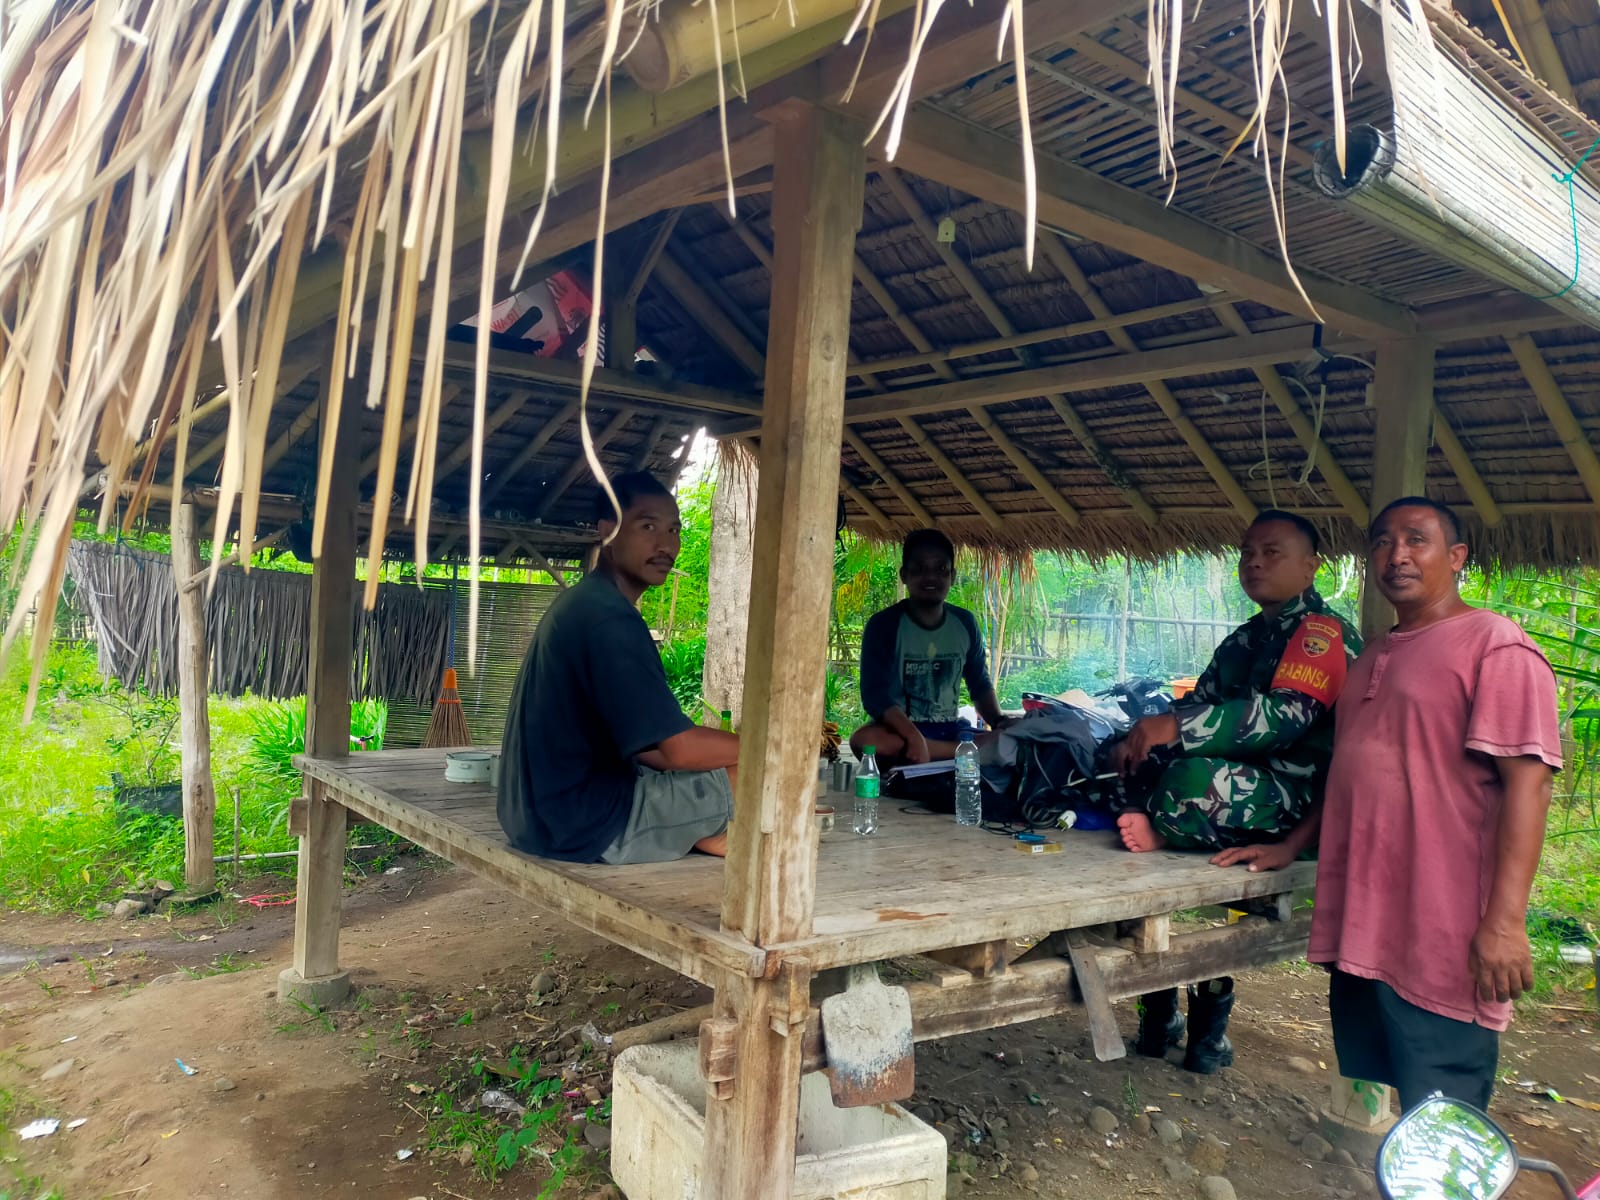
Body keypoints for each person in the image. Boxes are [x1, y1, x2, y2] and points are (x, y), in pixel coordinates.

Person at [1309, 497, 1560, 1112]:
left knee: (1445, 1116)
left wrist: (1504, 923)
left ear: (1455, 557)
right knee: (1399, 1103)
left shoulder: (1494, 644)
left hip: (1442, 934)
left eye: (1416, 539)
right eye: (1382, 542)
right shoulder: (1373, 655)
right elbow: (1353, 772)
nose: (1397, 555)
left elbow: (1530, 784)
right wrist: (1289, 845)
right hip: (1367, 930)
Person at [1110, 510, 1362, 1073]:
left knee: (1190, 781)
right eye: (1248, 552)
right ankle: (1180, 1022)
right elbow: (1198, 703)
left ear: (1311, 567)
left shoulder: (1322, 633)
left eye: (1272, 552)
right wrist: (1142, 739)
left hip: (1299, 802)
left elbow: (1284, 720)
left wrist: (1177, 730)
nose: (1253, 562)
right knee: (1120, 761)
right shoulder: (1245, 639)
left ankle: (1163, 822)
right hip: (1245, 788)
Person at [497, 471, 737, 865]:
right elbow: (678, 749)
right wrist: (772, 751)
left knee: (727, 767)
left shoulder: (585, 602)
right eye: (648, 526)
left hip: (534, 820)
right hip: (588, 826)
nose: (666, 545)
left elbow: (651, 748)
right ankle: (709, 833)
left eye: (674, 530)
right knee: (758, 776)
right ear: (608, 533)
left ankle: (703, 832)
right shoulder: (609, 618)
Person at [850, 529, 1008, 765]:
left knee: (1015, 734)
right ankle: (963, 752)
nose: (930, 577)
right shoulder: (884, 625)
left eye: (940, 569)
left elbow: (979, 682)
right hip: (899, 733)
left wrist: (999, 722)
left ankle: (942, 751)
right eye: (920, 569)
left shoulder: (964, 623)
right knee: (865, 741)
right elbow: (875, 697)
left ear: (953, 576)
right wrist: (913, 736)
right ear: (904, 575)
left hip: (949, 730)